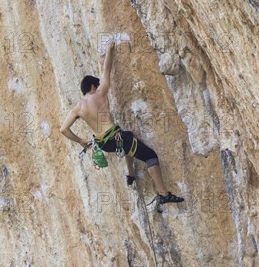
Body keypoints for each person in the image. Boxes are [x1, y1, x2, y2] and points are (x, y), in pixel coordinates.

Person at [60, 41, 184, 204]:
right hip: (115, 138)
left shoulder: (77, 109)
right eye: (96, 86)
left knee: (126, 139)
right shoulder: (100, 93)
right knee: (150, 156)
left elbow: (63, 129)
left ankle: (131, 174)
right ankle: (164, 194)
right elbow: (107, 70)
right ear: (92, 86)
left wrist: (81, 141)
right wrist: (110, 49)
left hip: (104, 143)